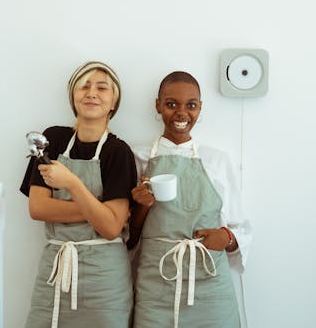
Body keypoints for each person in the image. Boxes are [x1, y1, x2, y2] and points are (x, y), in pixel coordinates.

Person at [127, 71, 252, 328]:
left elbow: (240, 227)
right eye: (171, 104)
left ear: (200, 108)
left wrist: (226, 238)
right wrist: (141, 206)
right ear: (158, 105)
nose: (181, 113)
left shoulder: (217, 159)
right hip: (156, 283)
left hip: (210, 283)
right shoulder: (136, 157)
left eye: (191, 105)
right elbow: (127, 234)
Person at [20, 61, 137, 328]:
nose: (91, 93)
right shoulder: (52, 140)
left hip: (105, 280)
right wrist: (100, 211)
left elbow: (110, 228)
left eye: (102, 88)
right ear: (73, 97)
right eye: (83, 86)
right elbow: (38, 208)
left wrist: (72, 183)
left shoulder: (119, 153)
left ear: (113, 103)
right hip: (56, 271)